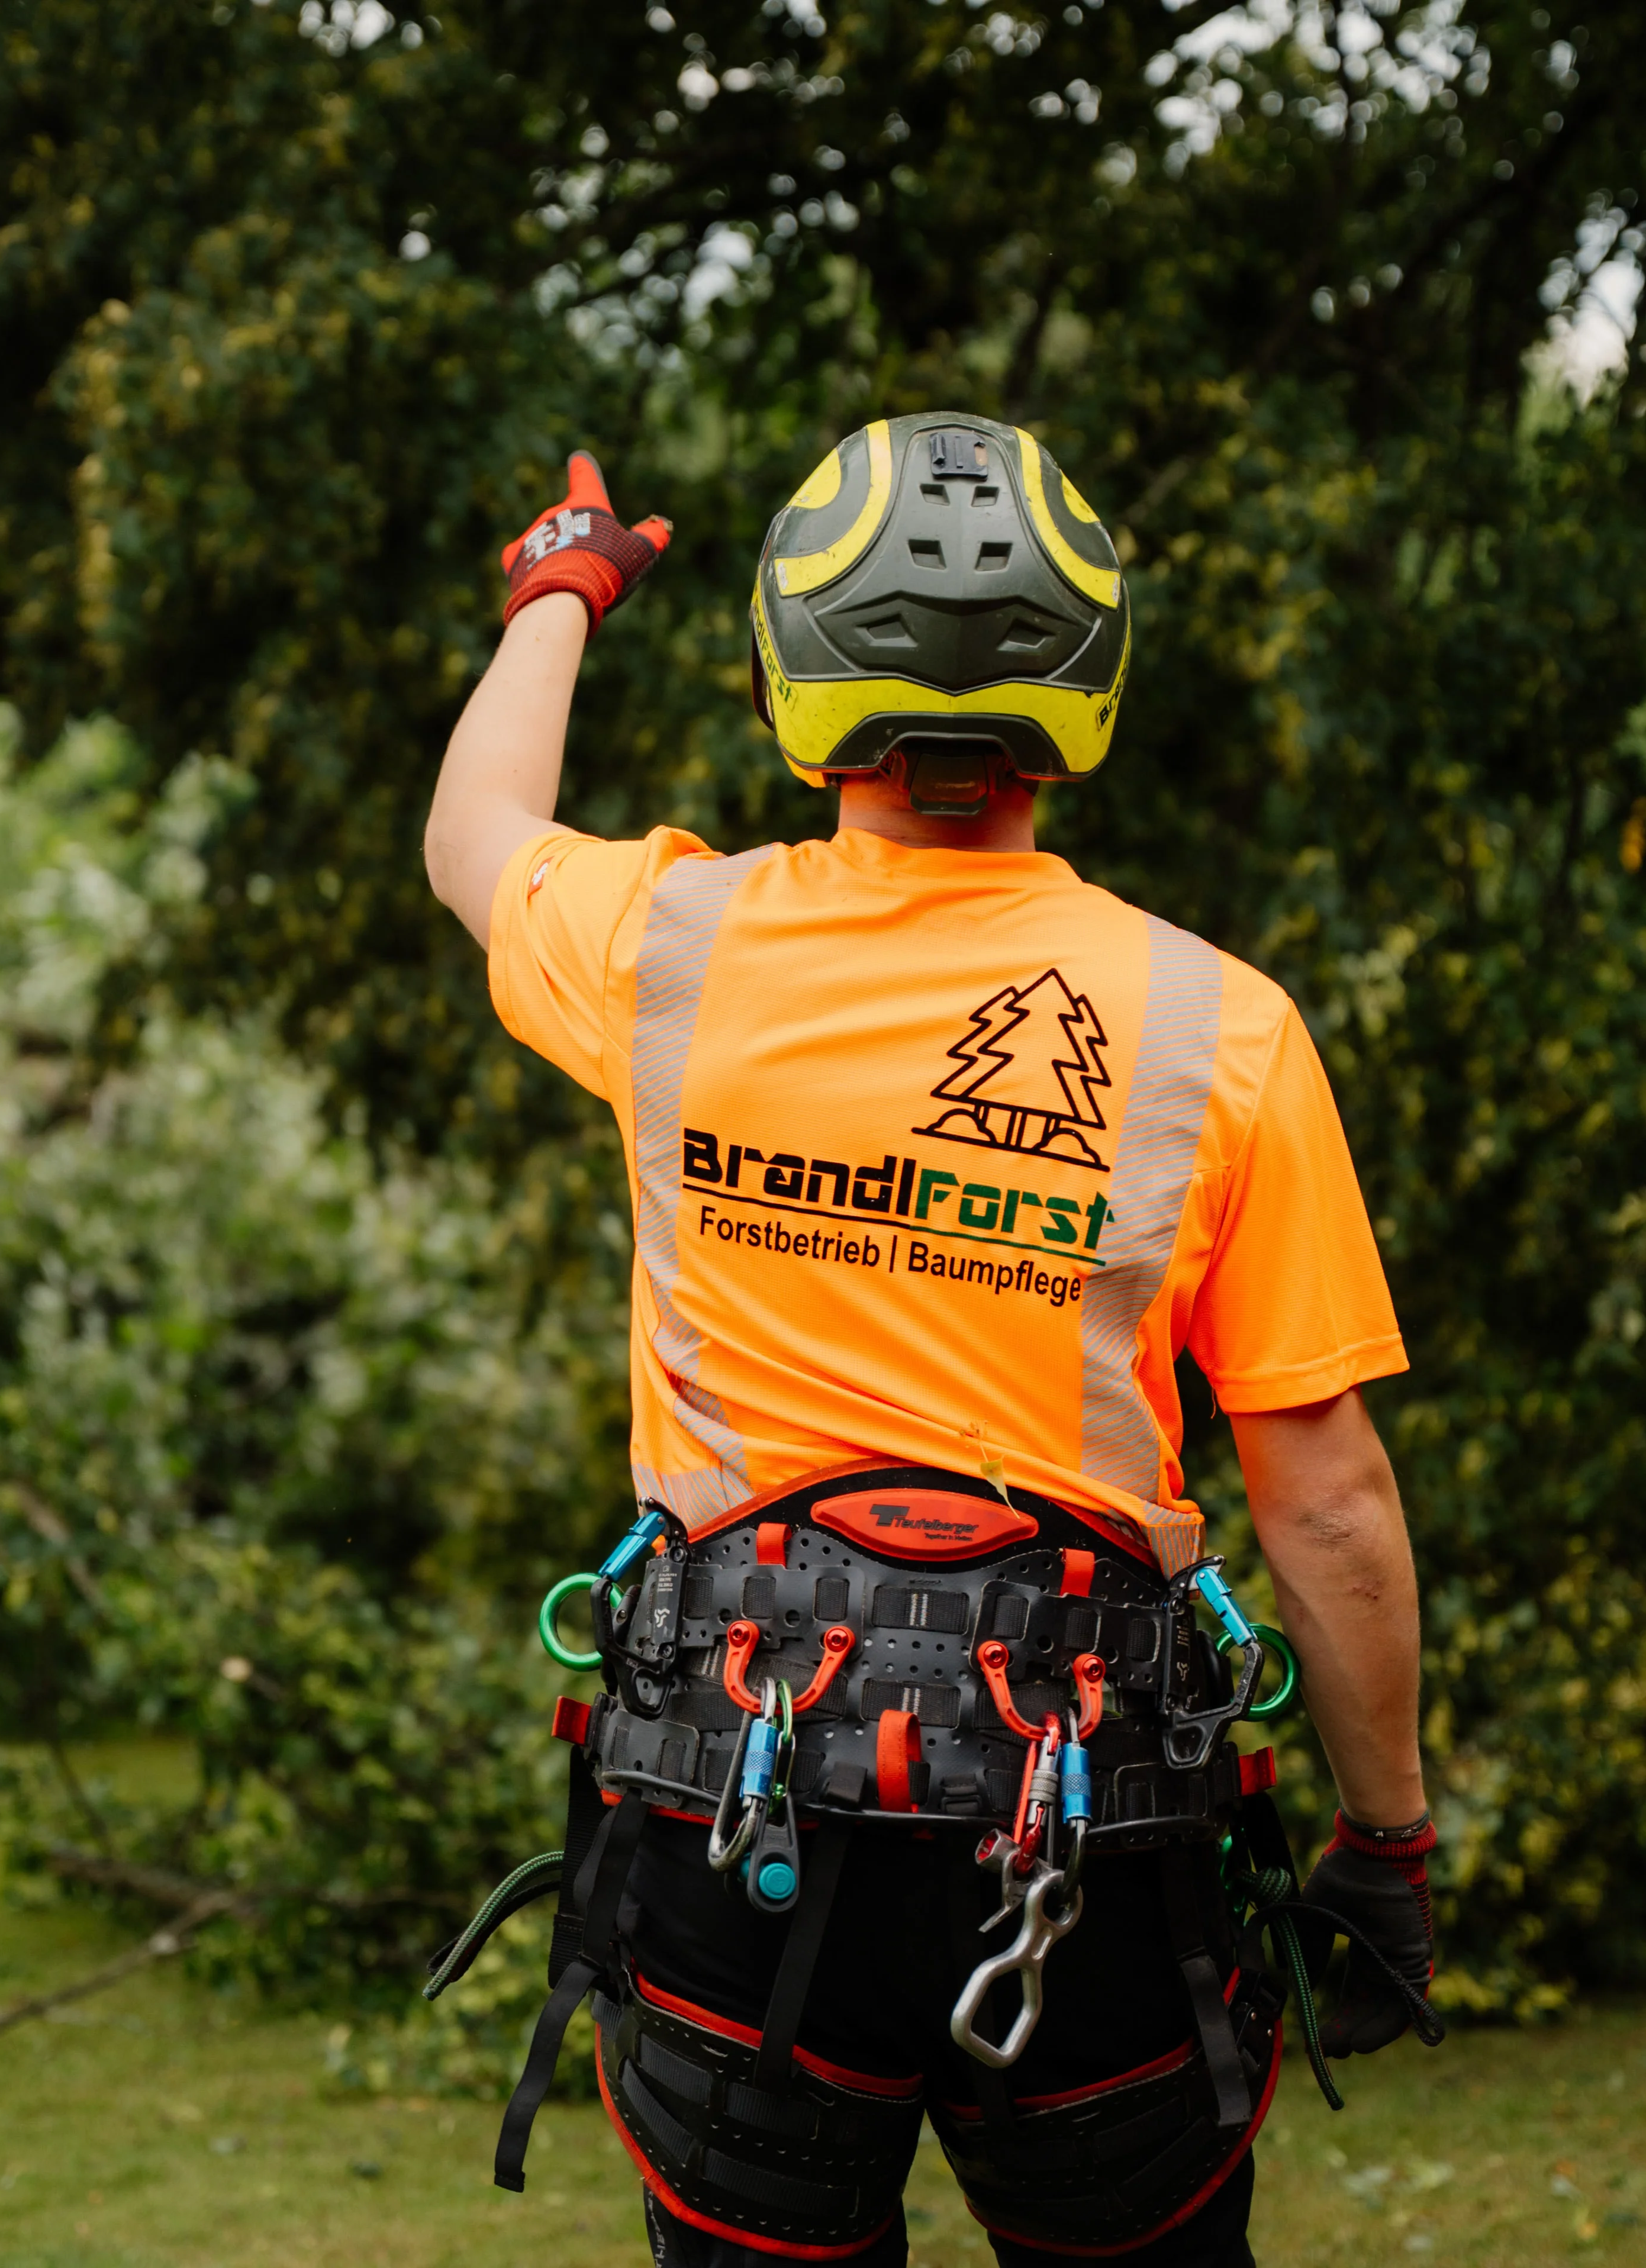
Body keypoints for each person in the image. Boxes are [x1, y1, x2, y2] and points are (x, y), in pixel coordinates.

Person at [423, 421, 1438, 2267]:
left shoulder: (668, 947)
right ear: (1092, 679)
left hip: (736, 1817)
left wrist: (562, 584)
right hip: (1092, 1840)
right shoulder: (1223, 1030)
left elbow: (472, 833)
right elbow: (1331, 1507)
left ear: (790, 676)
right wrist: (1390, 1850)